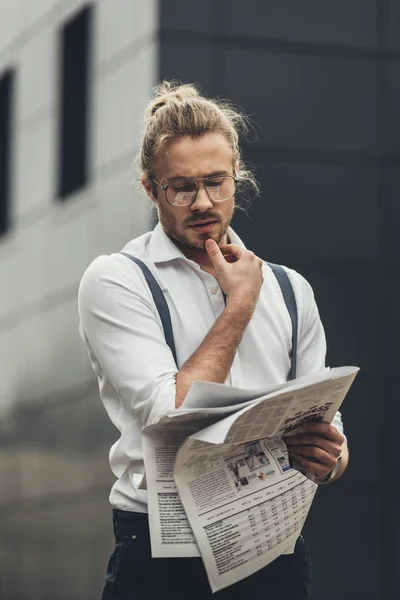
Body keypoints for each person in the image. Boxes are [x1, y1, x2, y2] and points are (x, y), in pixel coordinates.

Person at [78, 81, 348, 600]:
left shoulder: (290, 288)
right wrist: (240, 304)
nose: (202, 202)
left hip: (275, 552)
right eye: (181, 187)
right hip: (161, 558)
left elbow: (324, 413)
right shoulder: (118, 280)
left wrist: (332, 457)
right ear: (150, 189)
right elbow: (169, 417)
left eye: (216, 183)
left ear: (237, 177)